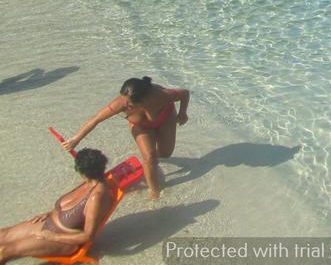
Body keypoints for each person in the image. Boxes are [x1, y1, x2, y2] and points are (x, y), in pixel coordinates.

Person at [61, 77, 189, 200]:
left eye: (130, 103)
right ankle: (155, 192)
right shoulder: (121, 103)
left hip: (165, 119)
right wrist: (75, 139)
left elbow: (185, 93)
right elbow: (96, 119)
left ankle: (152, 163)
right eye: (124, 100)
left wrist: (182, 113)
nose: (125, 104)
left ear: (145, 99)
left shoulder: (162, 95)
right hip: (141, 125)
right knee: (150, 157)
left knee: (166, 154)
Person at [0, 149, 114, 263]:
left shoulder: (96, 198)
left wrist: (52, 237)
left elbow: (88, 236)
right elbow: (72, 211)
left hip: (63, 239)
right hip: (48, 222)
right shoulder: (89, 182)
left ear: (82, 171)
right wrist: (50, 213)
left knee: (4, 251)